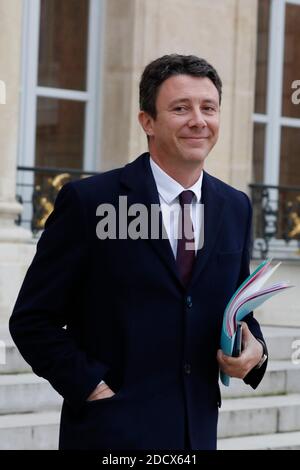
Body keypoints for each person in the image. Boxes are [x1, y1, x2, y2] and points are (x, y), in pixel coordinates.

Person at [9, 54, 268, 450]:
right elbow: (32, 321)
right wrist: (90, 385)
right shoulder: (90, 202)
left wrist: (255, 350)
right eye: (181, 108)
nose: (198, 120)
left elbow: (237, 305)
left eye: (209, 108)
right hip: (110, 435)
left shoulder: (235, 207)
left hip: (196, 435)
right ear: (147, 121)